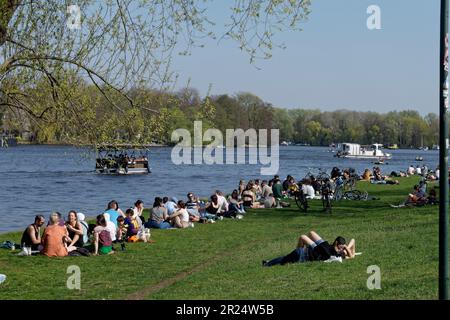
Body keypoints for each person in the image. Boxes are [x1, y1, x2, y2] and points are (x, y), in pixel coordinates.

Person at [263, 231, 356, 266]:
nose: (341, 249)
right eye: (341, 247)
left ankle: (268, 262)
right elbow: (351, 256)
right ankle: (267, 264)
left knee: (284, 259)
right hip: (303, 256)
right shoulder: (335, 256)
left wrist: (345, 247)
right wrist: (346, 248)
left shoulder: (326, 245)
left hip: (302, 252)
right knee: (283, 260)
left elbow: (311, 233)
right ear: (337, 244)